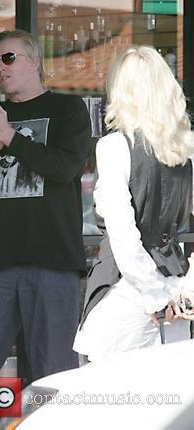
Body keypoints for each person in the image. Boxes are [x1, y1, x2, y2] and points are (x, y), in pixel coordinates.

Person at [0, 29, 91, 430]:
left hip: (52, 262)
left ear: (32, 61)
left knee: (51, 375)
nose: (0, 68)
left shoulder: (67, 110)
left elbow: (64, 168)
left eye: (8, 58)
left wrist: (10, 138)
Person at [73, 45, 194, 364]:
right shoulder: (186, 150)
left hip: (127, 293)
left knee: (110, 405)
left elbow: (125, 237)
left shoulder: (114, 146)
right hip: (174, 292)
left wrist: (158, 296)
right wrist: (185, 290)